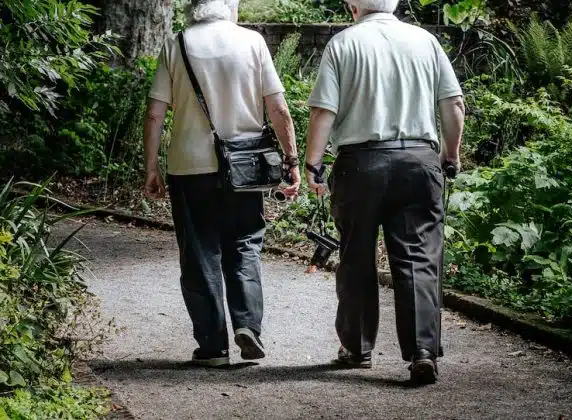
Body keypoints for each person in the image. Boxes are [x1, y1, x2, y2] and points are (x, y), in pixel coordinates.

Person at [304, 0, 465, 384]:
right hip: (418, 161)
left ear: (353, 5)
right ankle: (422, 351)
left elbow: (322, 111)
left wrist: (313, 164)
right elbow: (454, 105)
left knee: (356, 255)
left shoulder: (344, 44)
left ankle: (358, 348)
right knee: (419, 258)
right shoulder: (425, 41)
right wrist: (450, 155)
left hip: (360, 164)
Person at [143, 0, 301, 367]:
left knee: (199, 253)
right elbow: (279, 108)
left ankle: (212, 346)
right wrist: (291, 160)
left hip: (189, 167)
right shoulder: (253, 42)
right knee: (245, 242)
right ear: (230, 6)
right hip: (245, 167)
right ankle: (248, 325)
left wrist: (151, 167)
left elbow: (154, 113)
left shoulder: (177, 44)